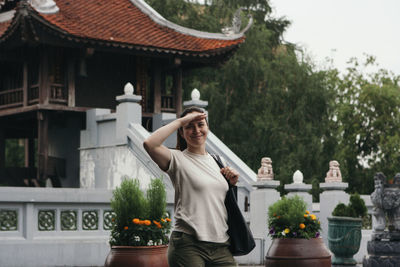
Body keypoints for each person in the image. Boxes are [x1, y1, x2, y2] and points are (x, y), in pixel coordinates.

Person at [143, 106, 239, 267]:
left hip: (221, 245)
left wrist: (233, 182)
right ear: (181, 132)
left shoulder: (219, 161)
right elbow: (149, 144)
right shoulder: (177, 159)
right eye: (189, 126)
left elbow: (218, 199)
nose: (196, 130)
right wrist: (181, 121)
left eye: (200, 124)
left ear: (207, 127)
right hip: (188, 244)